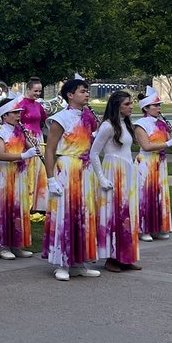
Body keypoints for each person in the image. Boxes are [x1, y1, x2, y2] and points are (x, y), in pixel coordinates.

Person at [42, 77, 100, 280]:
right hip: (67, 168)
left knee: (84, 215)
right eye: (82, 91)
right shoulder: (60, 119)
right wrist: (50, 179)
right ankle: (62, 263)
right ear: (70, 95)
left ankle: (80, 261)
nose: (86, 94)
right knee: (65, 215)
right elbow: (49, 150)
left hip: (85, 170)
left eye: (87, 91)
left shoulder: (88, 117)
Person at [92, 90, 141, 272]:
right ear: (117, 106)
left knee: (127, 213)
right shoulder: (107, 126)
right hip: (113, 172)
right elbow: (94, 153)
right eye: (127, 104)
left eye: (131, 103)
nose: (131, 106)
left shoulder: (126, 125)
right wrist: (102, 177)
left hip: (127, 171)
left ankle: (125, 256)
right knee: (114, 213)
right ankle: (111, 257)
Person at [0, 96, 37, 260]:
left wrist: (32, 143)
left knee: (18, 208)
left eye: (19, 112)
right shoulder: (0, 131)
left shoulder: (20, 129)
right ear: (5, 115)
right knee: (4, 208)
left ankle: (17, 244)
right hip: (4, 175)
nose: (18, 115)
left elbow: (31, 146)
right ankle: (2, 245)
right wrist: (23, 155)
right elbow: (0, 155)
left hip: (19, 174)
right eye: (14, 113)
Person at [133, 86, 172, 241]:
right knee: (145, 195)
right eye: (156, 105)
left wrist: (170, 134)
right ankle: (143, 229)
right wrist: (169, 143)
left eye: (159, 105)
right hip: (146, 163)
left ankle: (157, 227)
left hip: (160, 163)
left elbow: (163, 143)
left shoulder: (161, 124)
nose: (159, 108)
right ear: (146, 107)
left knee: (159, 195)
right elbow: (146, 146)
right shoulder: (140, 124)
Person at [20, 77, 49, 212]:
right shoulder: (22, 104)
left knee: (39, 169)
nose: (38, 94)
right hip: (27, 137)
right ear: (28, 89)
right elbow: (17, 122)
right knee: (29, 169)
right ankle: (27, 203)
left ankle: (39, 204)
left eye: (40, 91)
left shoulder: (38, 105)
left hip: (38, 137)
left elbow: (46, 120)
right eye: (35, 91)